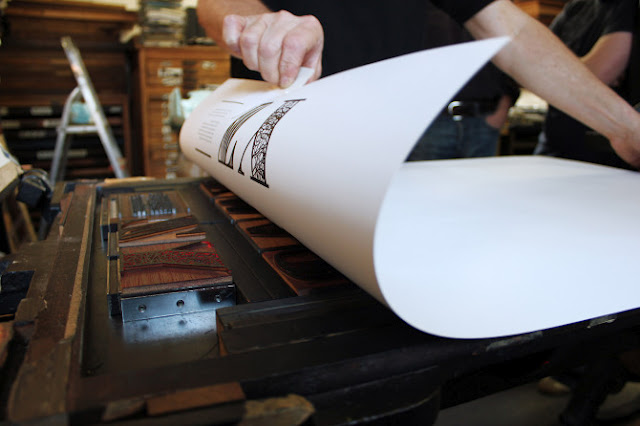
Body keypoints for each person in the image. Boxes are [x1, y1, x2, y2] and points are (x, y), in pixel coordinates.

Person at [197, 0, 640, 169]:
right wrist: (263, 25)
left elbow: (511, 30)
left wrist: (623, 126)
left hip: (383, 148)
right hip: (271, 148)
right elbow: (216, 2)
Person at [407, 3, 520, 160]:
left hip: (484, 119)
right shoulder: (416, 9)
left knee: (482, 176)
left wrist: (503, 107)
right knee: (427, 176)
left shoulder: (497, 7)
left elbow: (511, 51)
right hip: (431, 122)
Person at [534, 0, 638, 169]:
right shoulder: (574, 7)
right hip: (554, 141)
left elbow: (602, 71)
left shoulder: (625, 6)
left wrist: (555, 66)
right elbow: (533, 68)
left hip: (604, 152)